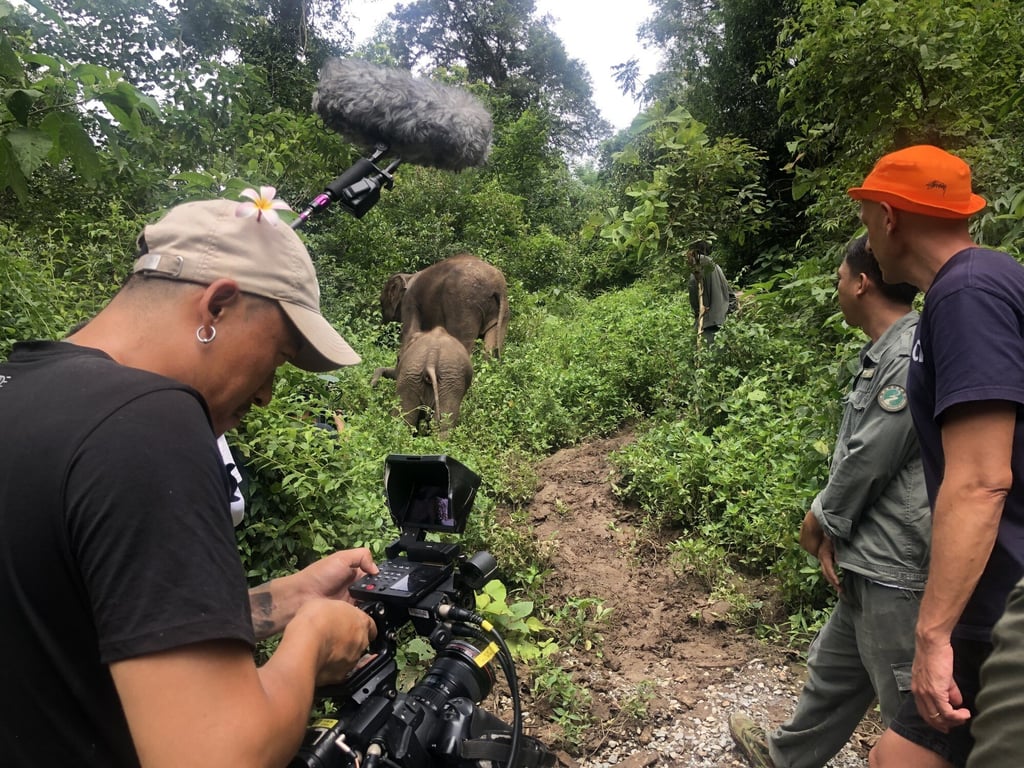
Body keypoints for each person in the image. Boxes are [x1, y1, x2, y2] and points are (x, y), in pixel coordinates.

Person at [0, 195, 380, 767]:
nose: (265, 394)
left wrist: (290, 600)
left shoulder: (23, 387)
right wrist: (314, 639)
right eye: (276, 358)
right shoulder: (149, 420)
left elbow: (74, 630)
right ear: (218, 306)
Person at [848, 145, 1024, 768]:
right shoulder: (980, 283)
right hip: (992, 593)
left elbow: (980, 480)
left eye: (867, 217)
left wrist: (932, 635)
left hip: (1004, 599)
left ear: (890, 216)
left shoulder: (967, 294)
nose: (865, 234)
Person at [729, 235, 930, 768]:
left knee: (910, 713)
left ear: (861, 283)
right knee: (834, 674)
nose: (837, 287)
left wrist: (819, 520)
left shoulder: (910, 352)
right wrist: (836, 535)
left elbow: (870, 457)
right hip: (865, 554)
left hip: (896, 566)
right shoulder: (882, 352)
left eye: (840, 278)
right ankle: (782, 758)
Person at [687, 240, 733, 342]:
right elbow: (731, 294)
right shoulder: (716, 267)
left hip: (707, 322)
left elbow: (693, 290)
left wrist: (698, 312)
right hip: (723, 321)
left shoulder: (698, 266)